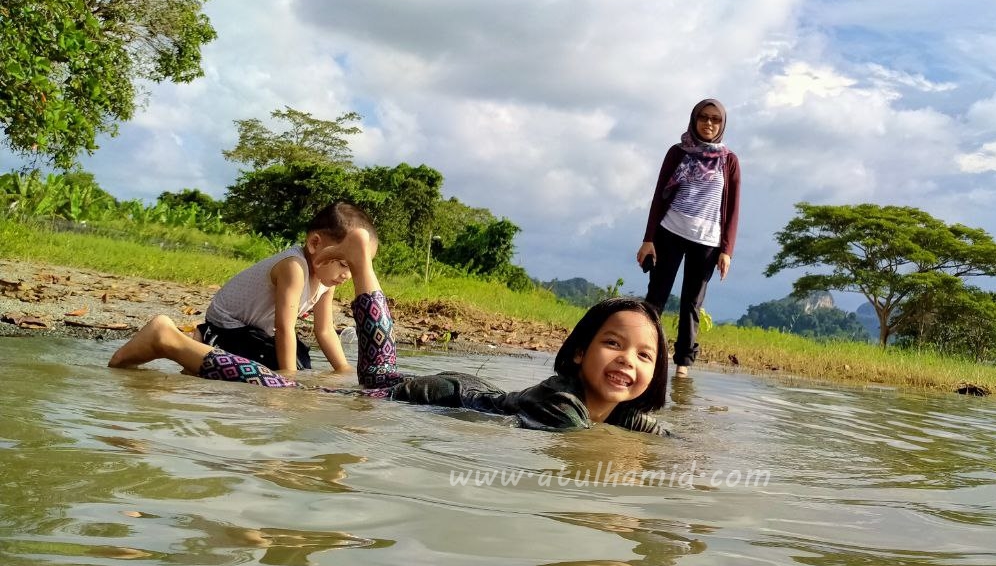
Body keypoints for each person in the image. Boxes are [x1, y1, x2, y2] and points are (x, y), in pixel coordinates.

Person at [108, 227, 671, 435]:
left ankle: (170, 342)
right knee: (299, 385)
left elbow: (646, 431)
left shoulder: (613, 411)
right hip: (429, 394)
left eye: (645, 356)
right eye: (614, 344)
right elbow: (583, 448)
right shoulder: (566, 406)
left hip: (453, 390)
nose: (629, 362)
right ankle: (171, 340)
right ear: (577, 354)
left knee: (303, 386)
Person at [193, 202, 371, 373]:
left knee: (301, 358)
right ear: (315, 244)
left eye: (354, 267)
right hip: (227, 325)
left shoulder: (326, 279)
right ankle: (202, 337)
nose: (347, 275)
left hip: (257, 330)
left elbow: (324, 330)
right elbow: (284, 327)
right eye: (342, 264)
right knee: (276, 362)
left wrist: (343, 368)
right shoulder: (294, 267)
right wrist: (288, 378)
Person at [636, 98, 740, 378]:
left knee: (692, 304)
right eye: (703, 118)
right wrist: (648, 239)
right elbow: (659, 195)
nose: (708, 123)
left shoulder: (729, 161)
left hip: (708, 241)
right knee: (656, 297)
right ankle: (647, 352)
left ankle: (683, 365)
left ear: (722, 124)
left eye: (715, 119)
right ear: (694, 119)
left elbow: (732, 209)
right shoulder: (678, 152)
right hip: (670, 232)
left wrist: (727, 250)